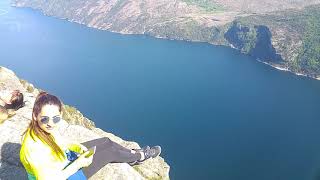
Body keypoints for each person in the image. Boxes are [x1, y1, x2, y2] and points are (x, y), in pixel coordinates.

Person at [20, 92, 161, 180]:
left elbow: (60, 142)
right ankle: (140, 157)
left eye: (56, 119)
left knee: (106, 141)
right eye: (45, 119)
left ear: (60, 115)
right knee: (109, 152)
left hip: (64, 160)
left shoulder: (44, 130)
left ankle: (131, 154)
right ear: (35, 116)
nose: (51, 123)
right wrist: (79, 164)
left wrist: (78, 147)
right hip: (65, 175)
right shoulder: (33, 148)